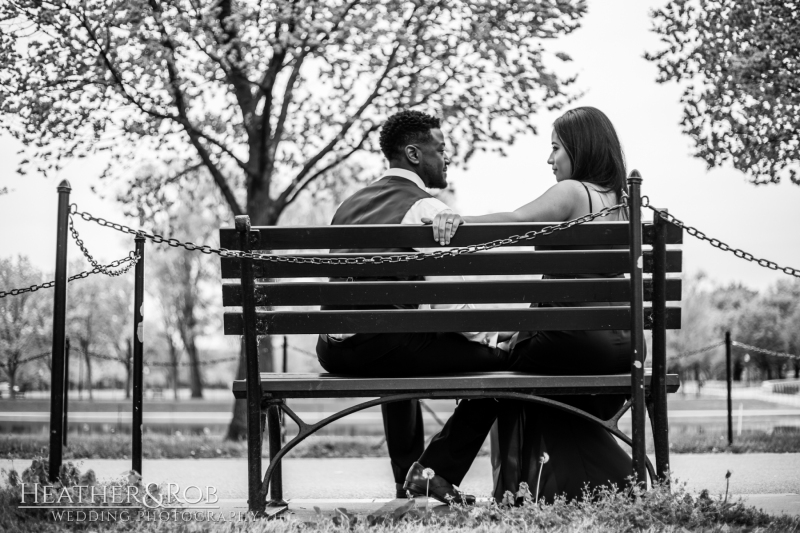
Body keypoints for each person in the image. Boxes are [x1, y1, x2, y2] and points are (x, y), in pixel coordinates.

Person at [427, 106, 641, 503]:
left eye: (556, 148)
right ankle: (577, 485)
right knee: (533, 383)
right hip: (619, 346)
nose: (549, 159)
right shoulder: (623, 201)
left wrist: (457, 219)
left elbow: (513, 220)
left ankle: (435, 471)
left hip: (572, 342)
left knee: (498, 371)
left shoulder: (574, 192)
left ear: (580, 147)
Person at [315, 110, 511, 502]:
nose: (447, 157)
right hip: (384, 347)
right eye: (441, 149)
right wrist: (489, 339)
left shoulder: (348, 206)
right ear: (414, 154)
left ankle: (405, 476)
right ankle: (432, 470)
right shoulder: (425, 208)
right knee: (502, 372)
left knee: (401, 347)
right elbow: (452, 300)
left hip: (334, 350)